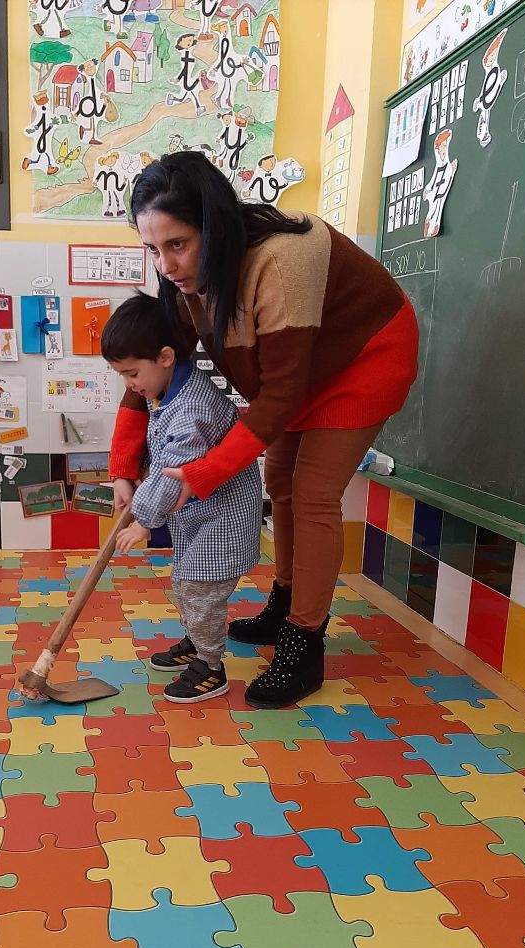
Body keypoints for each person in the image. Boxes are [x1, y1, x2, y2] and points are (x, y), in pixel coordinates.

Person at [109, 151, 418, 708]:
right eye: (153, 248)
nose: (166, 265)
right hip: (301, 369)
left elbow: (279, 396)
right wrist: (122, 468)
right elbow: (149, 366)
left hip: (364, 358)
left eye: (177, 244)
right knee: (280, 483)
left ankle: (304, 640)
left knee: (313, 493)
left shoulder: (280, 261)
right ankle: (286, 601)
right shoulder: (183, 279)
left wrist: (200, 473)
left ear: (214, 228)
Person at [103, 292, 262, 704]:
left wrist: (143, 519)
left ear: (166, 357)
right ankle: (196, 640)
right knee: (186, 580)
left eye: (132, 373)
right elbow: (158, 455)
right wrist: (125, 478)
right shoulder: (166, 389)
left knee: (199, 586)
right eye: (122, 375)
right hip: (198, 514)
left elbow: (173, 472)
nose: (129, 385)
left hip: (224, 517)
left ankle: (210, 667)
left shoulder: (193, 409)